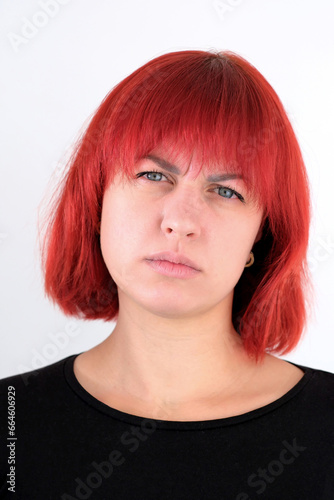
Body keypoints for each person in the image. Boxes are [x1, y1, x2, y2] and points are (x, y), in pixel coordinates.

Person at [0, 49, 333, 500]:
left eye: (226, 191)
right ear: (96, 200)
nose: (181, 221)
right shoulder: (11, 422)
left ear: (261, 236)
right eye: (154, 175)